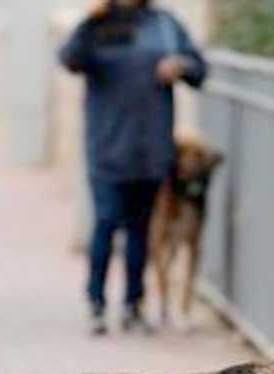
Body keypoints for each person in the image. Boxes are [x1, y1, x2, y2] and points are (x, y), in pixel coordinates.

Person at [60, 0, 206, 335]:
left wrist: (180, 65)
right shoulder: (97, 26)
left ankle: (133, 305)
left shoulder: (165, 24)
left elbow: (200, 70)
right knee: (107, 222)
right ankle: (96, 302)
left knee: (141, 230)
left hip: (151, 149)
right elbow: (70, 59)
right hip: (107, 147)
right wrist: (88, 21)